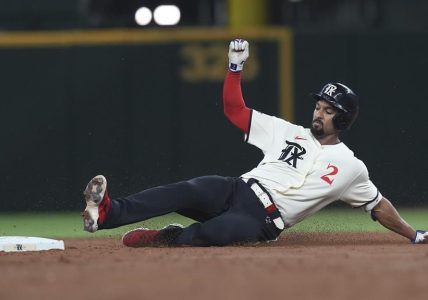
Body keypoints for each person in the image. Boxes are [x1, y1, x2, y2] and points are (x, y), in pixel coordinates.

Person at [82, 39, 427, 247]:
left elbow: (378, 205)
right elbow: (235, 110)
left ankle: (167, 238)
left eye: (328, 110)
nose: (318, 113)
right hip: (237, 189)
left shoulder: (352, 168)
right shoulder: (288, 131)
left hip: (262, 220)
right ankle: (108, 212)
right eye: (318, 106)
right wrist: (235, 67)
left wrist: (413, 235)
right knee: (184, 190)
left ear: (345, 119)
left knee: (205, 237)